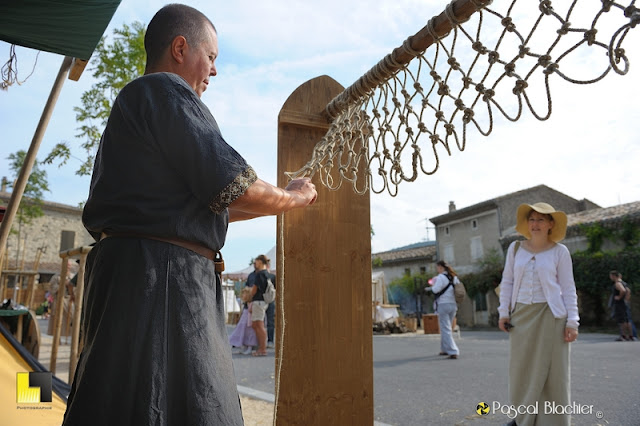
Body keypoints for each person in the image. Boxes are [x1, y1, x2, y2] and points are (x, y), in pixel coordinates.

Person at [63, 4, 317, 426]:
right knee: (186, 405)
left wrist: (273, 203)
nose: (214, 71)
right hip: (163, 282)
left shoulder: (137, 106)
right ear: (180, 48)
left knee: (120, 401)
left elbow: (203, 207)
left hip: (137, 275)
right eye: (212, 57)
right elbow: (236, 184)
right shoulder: (163, 90)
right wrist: (294, 197)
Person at [498, 203, 579, 426]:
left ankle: (552, 421)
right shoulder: (515, 249)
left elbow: (568, 287)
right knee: (522, 369)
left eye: (541, 220)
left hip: (552, 317)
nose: (535, 224)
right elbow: (507, 282)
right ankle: (523, 418)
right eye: (532, 219)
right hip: (521, 316)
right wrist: (503, 312)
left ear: (551, 224)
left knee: (553, 372)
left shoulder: (560, 252)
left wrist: (572, 321)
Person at [430, 260, 460, 359]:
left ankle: (453, 351)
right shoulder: (454, 277)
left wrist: (432, 286)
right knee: (447, 328)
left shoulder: (441, 277)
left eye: (437, 267)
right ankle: (444, 349)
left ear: (441, 267)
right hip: (453, 304)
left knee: (445, 328)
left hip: (443, 304)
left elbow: (435, 290)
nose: (437, 269)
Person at [249, 255, 270, 356]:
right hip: (263, 302)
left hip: (258, 301)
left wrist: (250, 295)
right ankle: (261, 347)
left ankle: (262, 349)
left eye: (256, 261)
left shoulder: (259, 274)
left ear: (260, 262)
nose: (255, 264)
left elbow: (254, 290)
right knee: (256, 325)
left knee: (259, 325)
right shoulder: (268, 274)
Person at [228, 286, 258, 354]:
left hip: (249, 322)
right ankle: (245, 346)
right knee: (243, 332)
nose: (242, 296)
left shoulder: (251, 304)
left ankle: (250, 347)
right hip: (244, 322)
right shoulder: (246, 304)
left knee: (250, 333)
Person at [608, 270, 635, 341]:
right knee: (627, 319)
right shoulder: (624, 283)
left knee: (621, 320)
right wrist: (626, 299)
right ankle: (631, 336)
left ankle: (623, 336)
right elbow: (628, 291)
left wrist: (619, 297)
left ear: (614, 276)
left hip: (619, 304)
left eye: (611, 276)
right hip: (624, 303)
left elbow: (623, 290)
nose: (610, 278)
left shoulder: (617, 283)